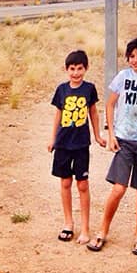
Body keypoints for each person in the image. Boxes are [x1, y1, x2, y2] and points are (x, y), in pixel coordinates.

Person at [87, 36, 137, 255]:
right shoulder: (123, 77)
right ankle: (103, 231)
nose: (135, 60)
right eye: (131, 56)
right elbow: (110, 104)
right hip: (124, 140)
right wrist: (111, 134)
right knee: (118, 188)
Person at [48, 49, 106, 244]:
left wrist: (98, 136)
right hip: (63, 143)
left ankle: (85, 228)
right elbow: (58, 115)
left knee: (82, 184)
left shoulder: (89, 89)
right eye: (72, 69)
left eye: (79, 68)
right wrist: (52, 138)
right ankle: (68, 223)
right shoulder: (62, 90)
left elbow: (94, 114)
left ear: (86, 68)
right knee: (65, 182)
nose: (75, 73)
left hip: (81, 144)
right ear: (66, 69)